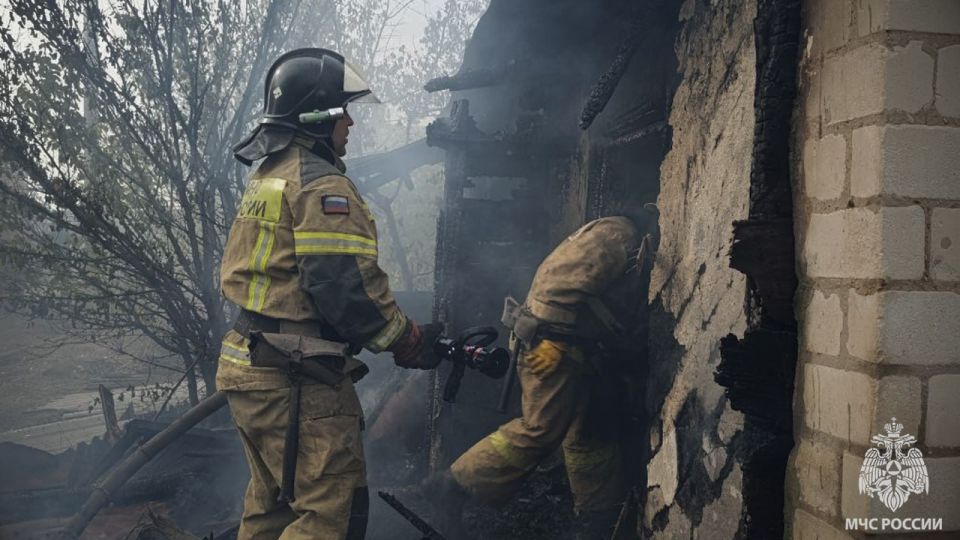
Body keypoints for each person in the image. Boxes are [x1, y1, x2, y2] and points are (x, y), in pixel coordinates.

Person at [217, 48, 440, 540]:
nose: (352, 123)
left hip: (249, 362)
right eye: (345, 111)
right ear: (317, 116)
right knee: (329, 515)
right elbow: (344, 288)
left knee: (270, 507)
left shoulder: (269, 176)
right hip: (295, 375)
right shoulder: (323, 186)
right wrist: (405, 340)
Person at [424, 208, 656, 540]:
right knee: (540, 428)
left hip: (575, 350)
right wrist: (552, 338)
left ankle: (596, 518)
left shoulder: (623, 239)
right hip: (550, 346)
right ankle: (453, 485)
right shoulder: (619, 235)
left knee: (586, 432)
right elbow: (557, 283)